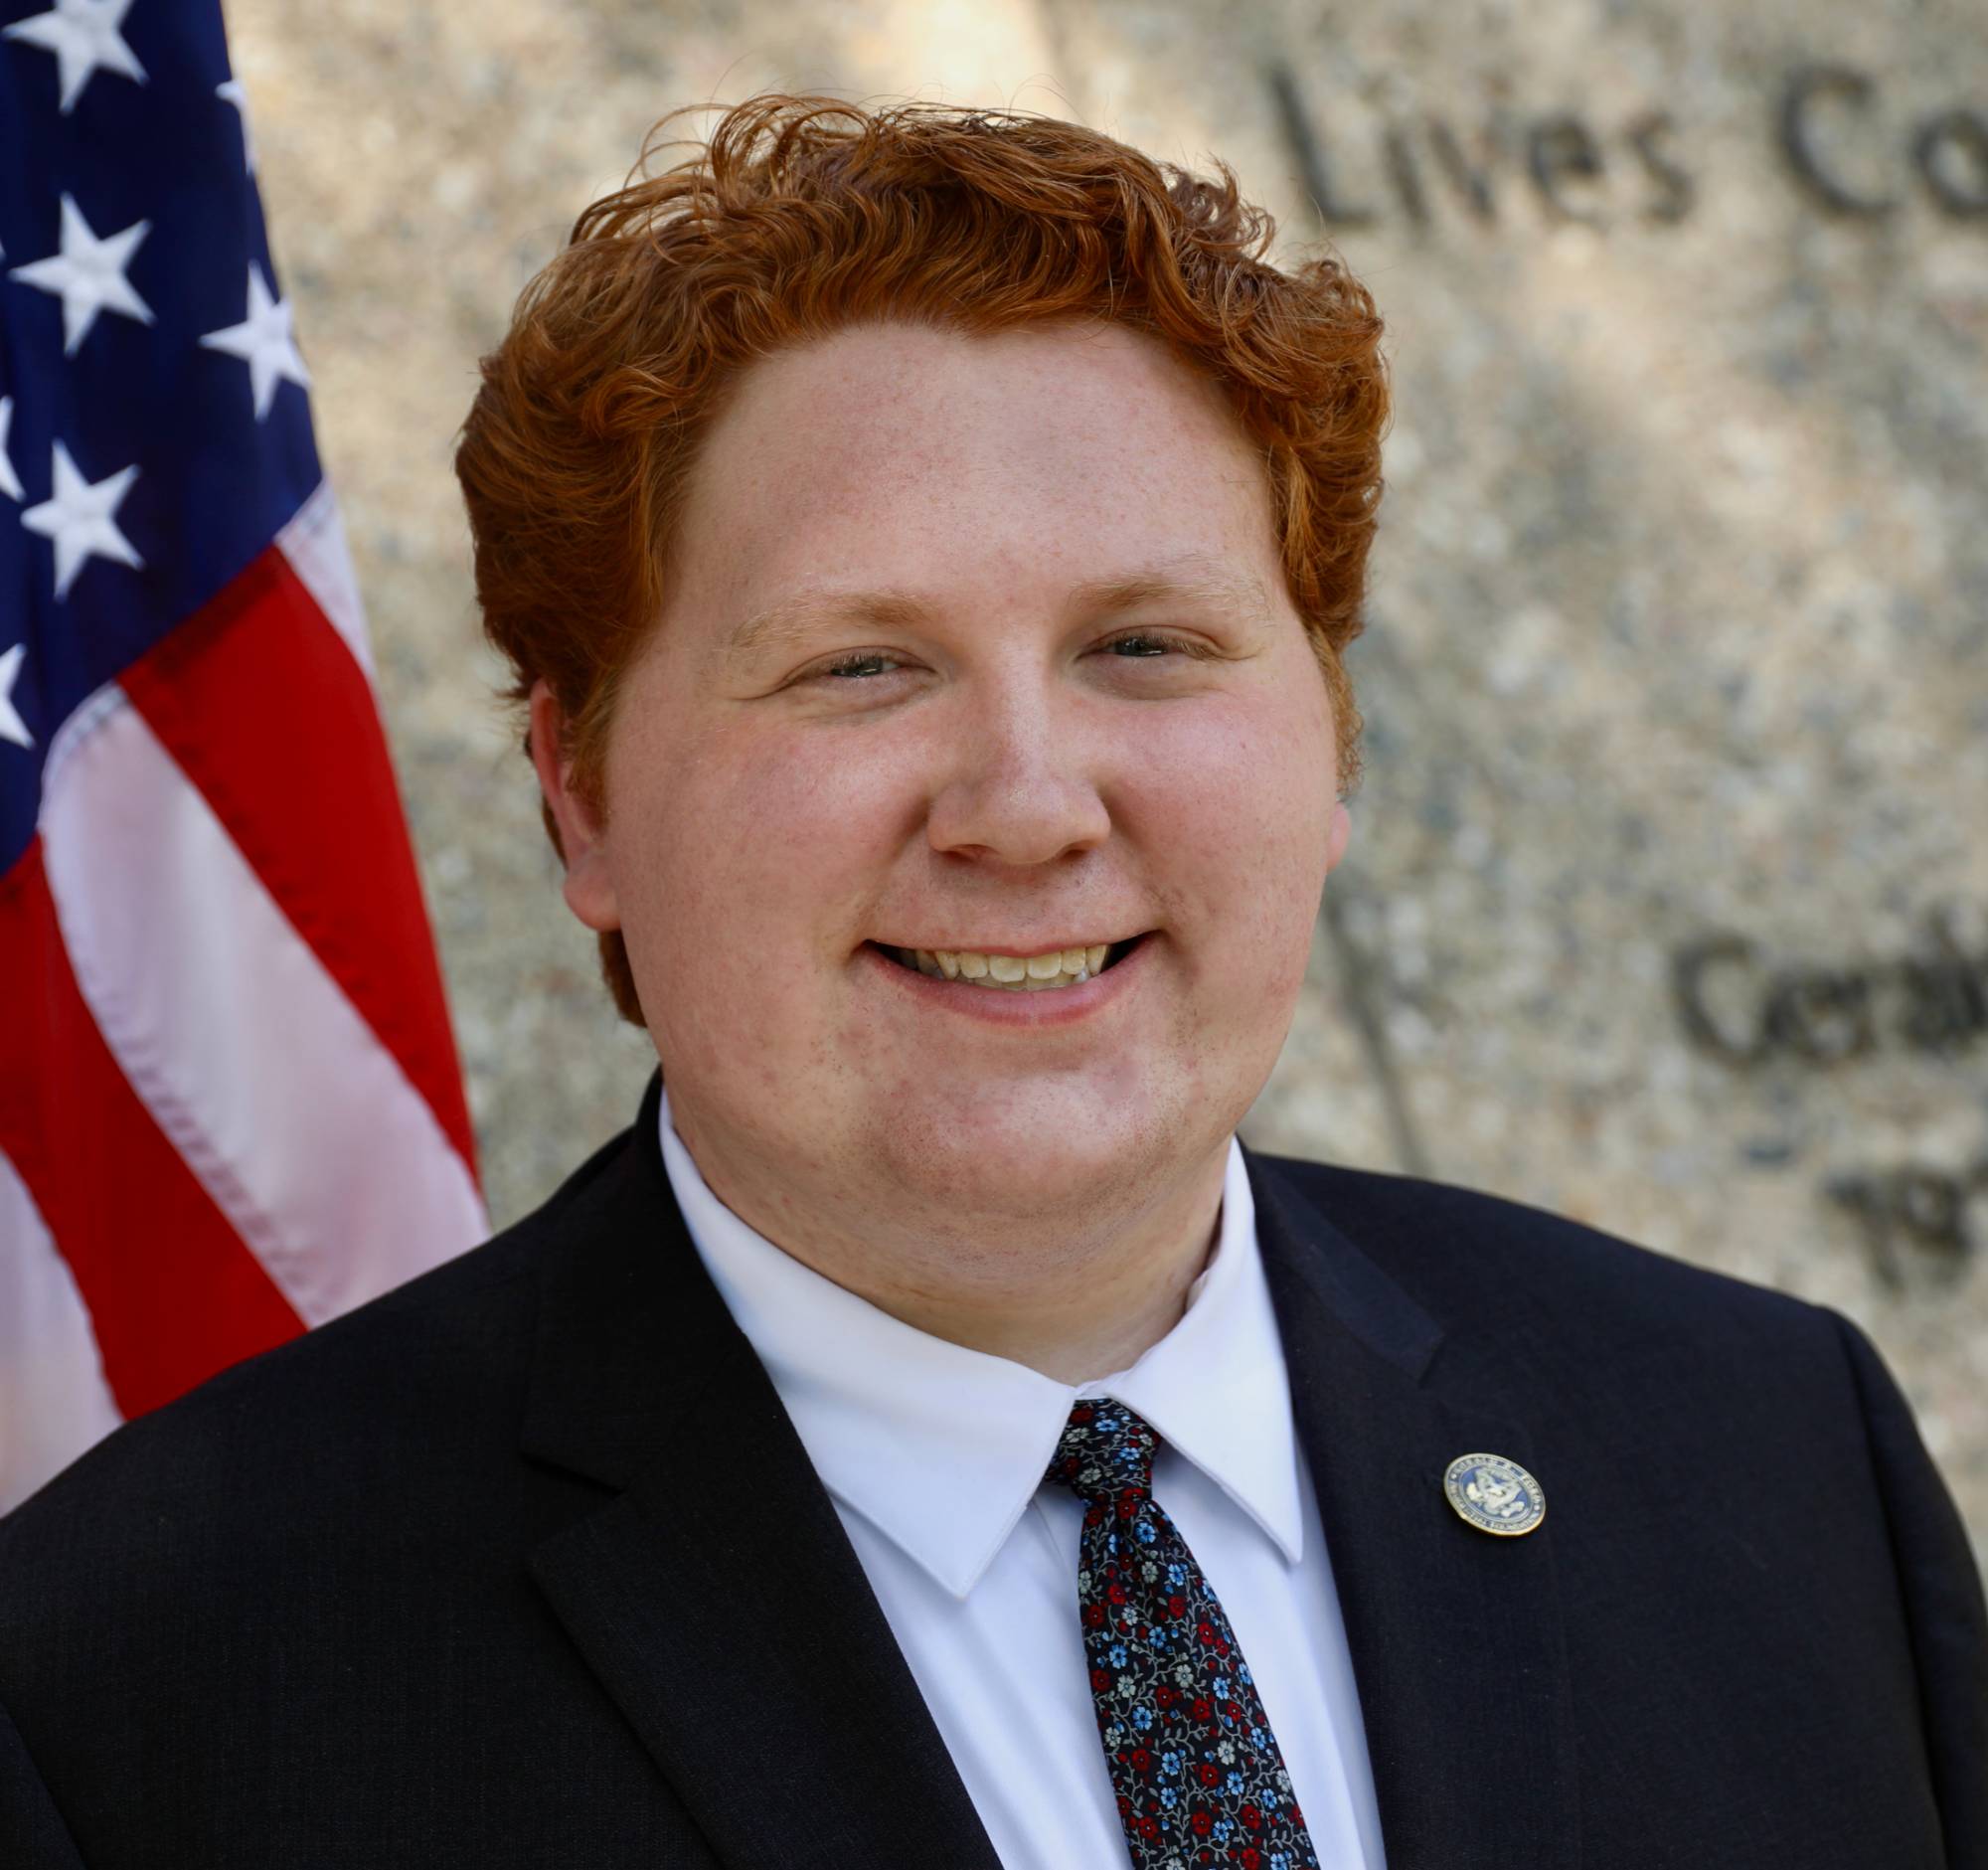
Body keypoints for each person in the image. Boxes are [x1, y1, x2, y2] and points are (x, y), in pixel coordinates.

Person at [1, 90, 1982, 1870]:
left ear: (1335, 745)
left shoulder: (1765, 1451)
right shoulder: (141, 1680)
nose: (1027, 807)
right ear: (580, 791)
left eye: (1144, 645)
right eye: (861, 664)